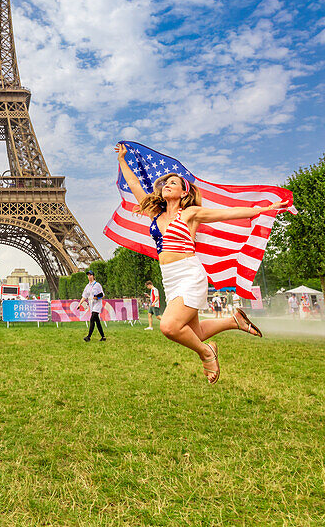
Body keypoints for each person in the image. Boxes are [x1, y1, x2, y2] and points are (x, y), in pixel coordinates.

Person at [116, 143, 286, 383]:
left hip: (188, 274)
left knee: (169, 327)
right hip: (169, 278)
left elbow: (231, 213)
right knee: (193, 331)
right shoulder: (155, 214)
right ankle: (233, 321)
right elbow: (134, 185)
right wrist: (123, 160)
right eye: (165, 183)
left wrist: (267, 208)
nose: (166, 185)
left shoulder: (190, 214)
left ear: (184, 193)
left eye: (173, 183)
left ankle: (207, 353)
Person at [78, 271, 106, 342]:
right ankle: (103, 337)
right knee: (97, 321)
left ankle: (88, 336)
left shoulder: (97, 285)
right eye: (88, 275)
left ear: (93, 276)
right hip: (91, 305)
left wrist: (96, 297)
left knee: (92, 319)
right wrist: (79, 303)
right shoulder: (87, 286)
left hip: (97, 305)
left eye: (90, 275)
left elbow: (102, 295)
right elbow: (84, 296)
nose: (89, 276)